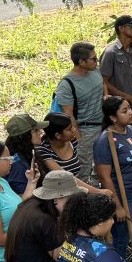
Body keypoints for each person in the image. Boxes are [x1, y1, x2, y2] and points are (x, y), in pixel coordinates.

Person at [93, 96, 132, 262]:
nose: (130, 113)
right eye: (124, 111)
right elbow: (104, 177)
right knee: (121, 239)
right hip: (123, 196)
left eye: (130, 109)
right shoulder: (105, 140)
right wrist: (117, 205)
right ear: (112, 117)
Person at [56, 42, 106, 182]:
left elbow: (103, 83)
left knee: (102, 165)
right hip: (86, 130)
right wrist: (77, 136)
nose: (97, 61)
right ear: (81, 62)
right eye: (93, 59)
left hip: (103, 125)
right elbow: (68, 114)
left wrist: (105, 96)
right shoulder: (67, 85)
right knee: (83, 168)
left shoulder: (95, 70)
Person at [37, 113, 116, 196]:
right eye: (69, 129)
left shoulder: (72, 141)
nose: (74, 130)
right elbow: (64, 176)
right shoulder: (43, 150)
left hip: (75, 191)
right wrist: (96, 191)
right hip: (58, 196)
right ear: (58, 135)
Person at [100, 16, 132, 130]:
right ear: (121, 29)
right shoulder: (110, 53)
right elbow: (104, 82)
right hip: (121, 113)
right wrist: (129, 98)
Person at [4, 114, 47, 195]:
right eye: (35, 131)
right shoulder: (18, 164)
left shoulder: (26, 152)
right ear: (24, 137)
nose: (40, 132)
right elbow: (21, 198)